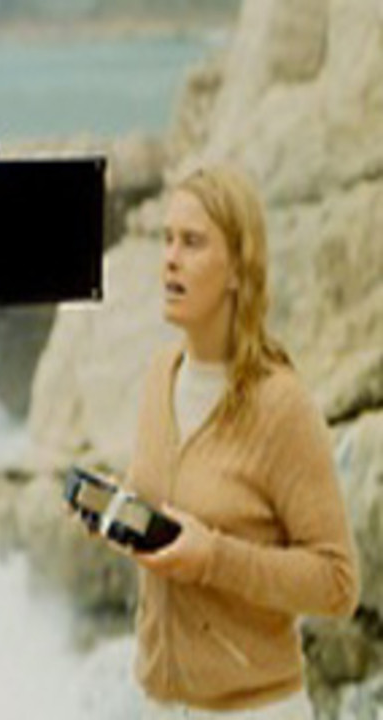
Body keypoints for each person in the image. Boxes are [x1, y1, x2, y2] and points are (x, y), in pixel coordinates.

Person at [121, 166, 359, 718]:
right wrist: (117, 513)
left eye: (192, 242)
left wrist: (215, 558)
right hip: (159, 705)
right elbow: (164, 505)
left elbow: (337, 582)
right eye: (166, 239)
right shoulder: (160, 375)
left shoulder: (280, 404)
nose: (170, 259)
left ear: (236, 267)